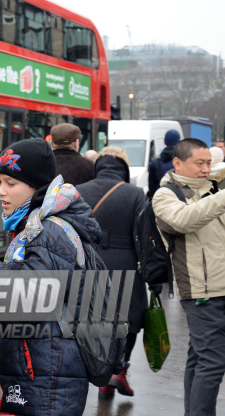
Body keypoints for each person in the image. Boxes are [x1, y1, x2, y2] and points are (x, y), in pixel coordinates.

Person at [0, 138, 101, 416]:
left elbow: (33, 298)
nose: (1, 191)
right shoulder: (34, 224)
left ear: (35, 185)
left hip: (49, 373)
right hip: (41, 367)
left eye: (11, 183)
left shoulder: (49, 230)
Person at [152, 138, 225, 416]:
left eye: (209, 162)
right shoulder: (165, 195)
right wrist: (224, 197)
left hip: (224, 287)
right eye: (199, 163)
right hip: (200, 291)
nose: (205, 168)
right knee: (213, 362)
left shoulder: (212, 190)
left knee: (200, 359)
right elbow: (182, 221)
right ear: (178, 163)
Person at [77, 146, 148, 399]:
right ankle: (119, 369)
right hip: (126, 263)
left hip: (90, 264)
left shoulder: (79, 191)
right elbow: (142, 235)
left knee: (95, 318)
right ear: (124, 169)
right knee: (129, 320)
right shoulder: (135, 193)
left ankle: (101, 369)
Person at [148, 129, 180, 197]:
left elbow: (151, 186)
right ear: (178, 142)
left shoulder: (156, 161)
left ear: (165, 142)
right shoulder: (182, 160)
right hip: (178, 199)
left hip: (160, 199)